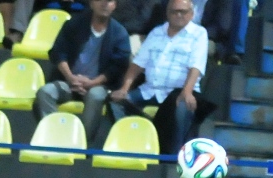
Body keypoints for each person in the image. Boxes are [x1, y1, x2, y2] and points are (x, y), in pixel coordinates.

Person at [109, 0, 212, 154]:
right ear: (167, 13)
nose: (178, 15)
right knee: (115, 102)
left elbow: (196, 66)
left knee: (183, 106)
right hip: (149, 90)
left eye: (183, 11)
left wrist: (187, 91)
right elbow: (137, 64)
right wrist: (124, 89)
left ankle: (173, 157)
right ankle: (135, 143)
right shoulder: (156, 32)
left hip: (179, 91)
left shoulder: (199, 34)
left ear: (191, 14)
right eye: (174, 11)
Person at [34, 0, 130, 144]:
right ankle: (55, 139)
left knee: (95, 95)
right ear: (91, 3)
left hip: (99, 85)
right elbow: (58, 53)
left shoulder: (119, 33)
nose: (104, 3)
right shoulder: (74, 24)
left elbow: (118, 66)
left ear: (114, 5)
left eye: (110, 1)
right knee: (45, 92)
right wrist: (70, 78)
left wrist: (93, 82)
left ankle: (81, 144)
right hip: (70, 82)